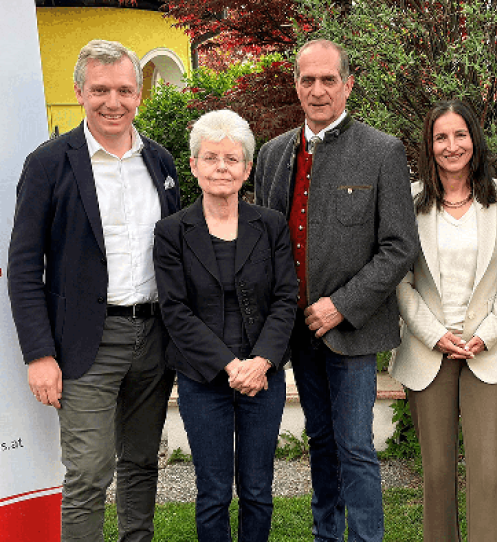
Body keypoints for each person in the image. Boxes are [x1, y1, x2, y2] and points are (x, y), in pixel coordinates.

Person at [7, 39, 180, 542]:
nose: (113, 101)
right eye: (100, 89)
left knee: (141, 462)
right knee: (87, 473)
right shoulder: (48, 164)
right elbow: (22, 267)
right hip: (85, 343)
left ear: (140, 95)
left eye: (124, 90)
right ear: (79, 91)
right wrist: (39, 354)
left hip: (153, 339)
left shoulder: (161, 162)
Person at [252, 39, 419, 541]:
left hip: (352, 332)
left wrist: (340, 306)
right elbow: (267, 244)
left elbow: (398, 247)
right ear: (296, 85)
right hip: (297, 333)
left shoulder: (381, 150)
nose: (318, 90)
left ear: (348, 84)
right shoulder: (274, 154)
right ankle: (327, 535)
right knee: (320, 442)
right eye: (308, 80)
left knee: (355, 446)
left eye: (329, 80)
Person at [153, 110, 297, 542]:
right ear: (194, 166)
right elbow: (175, 310)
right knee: (213, 491)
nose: (221, 167)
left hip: (262, 379)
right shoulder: (172, 231)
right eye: (211, 158)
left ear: (247, 168)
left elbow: (286, 299)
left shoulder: (270, 226)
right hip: (202, 378)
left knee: (257, 490)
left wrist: (261, 362)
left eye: (232, 159)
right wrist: (231, 366)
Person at [390, 100, 497, 541]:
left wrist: (485, 336)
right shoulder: (410, 201)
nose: (452, 145)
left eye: (460, 135)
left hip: (489, 350)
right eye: (441, 137)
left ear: (474, 139)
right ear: (429, 146)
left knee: (488, 475)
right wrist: (435, 335)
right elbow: (400, 282)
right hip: (430, 351)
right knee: (436, 475)